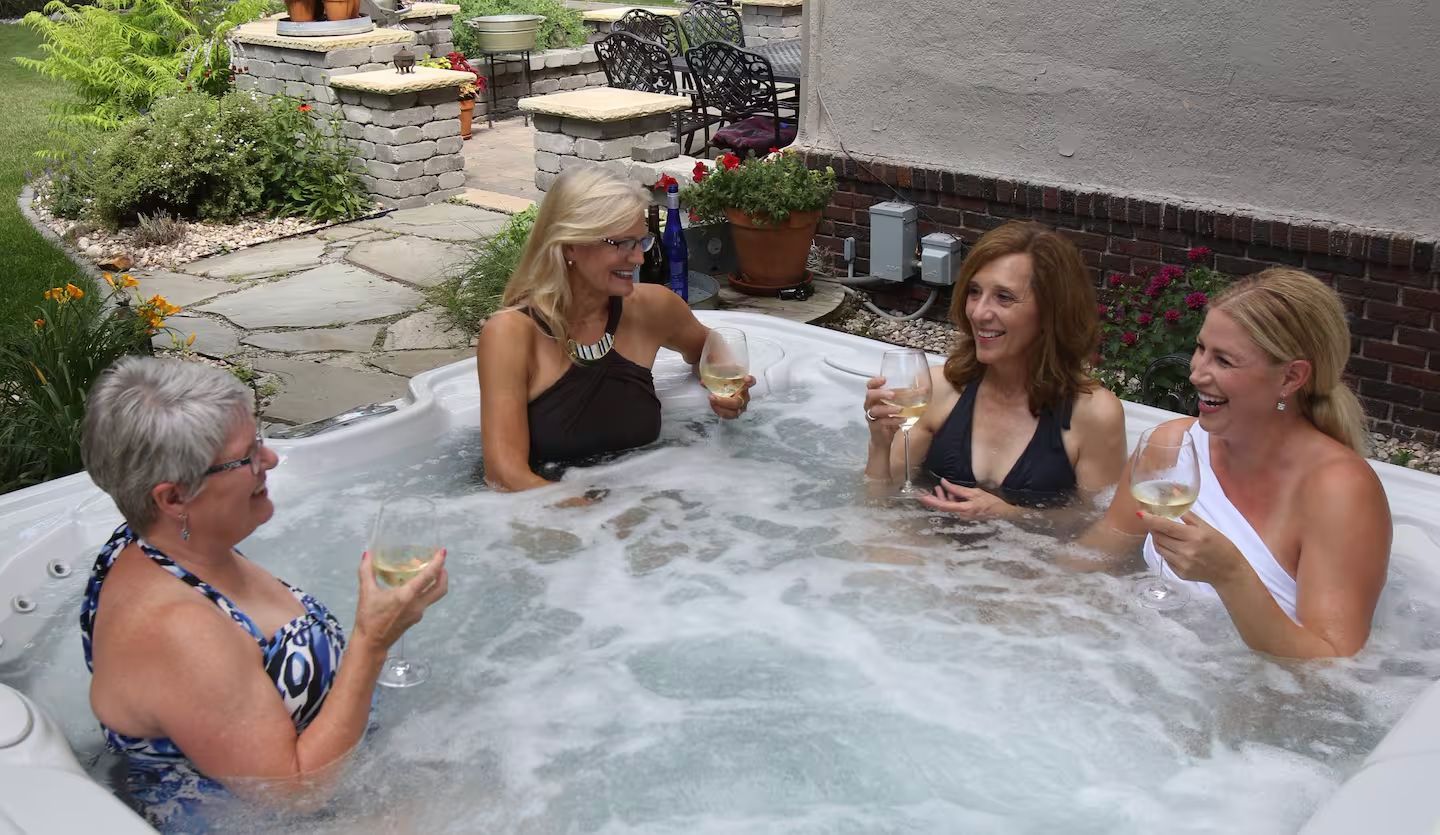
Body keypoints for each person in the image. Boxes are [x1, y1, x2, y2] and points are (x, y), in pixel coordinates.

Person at [79, 357, 448, 829]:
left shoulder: (165, 546)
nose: (270, 459)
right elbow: (292, 794)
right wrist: (373, 640)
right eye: (248, 455)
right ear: (173, 499)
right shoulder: (176, 630)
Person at [1083, 268, 1391, 658]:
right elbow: (1099, 550)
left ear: (1291, 377)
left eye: (1224, 361)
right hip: (1150, 665)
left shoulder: (1339, 491)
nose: (1196, 373)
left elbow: (1333, 668)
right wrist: (1018, 588)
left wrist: (1230, 575)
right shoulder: (1173, 445)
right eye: (1200, 349)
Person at [476, 166, 754, 491]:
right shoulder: (511, 334)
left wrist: (727, 388)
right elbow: (505, 475)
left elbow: (710, 343)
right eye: (622, 243)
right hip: (550, 521)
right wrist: (590, 520)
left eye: (641, 241)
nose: (638, 258)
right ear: (569, 245)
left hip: (636, 512)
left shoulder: (651, 309)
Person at [863, 221, 1127, 518]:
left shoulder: (1093, 414)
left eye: (1004, 297)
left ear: (1052, 311)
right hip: (932, 554)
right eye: (974, 292)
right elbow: (881, 503)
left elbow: (1100, 529)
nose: (978, 312)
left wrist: (1013, 515)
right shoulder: (939, 389)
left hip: (1026, 561)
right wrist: (879, 443)